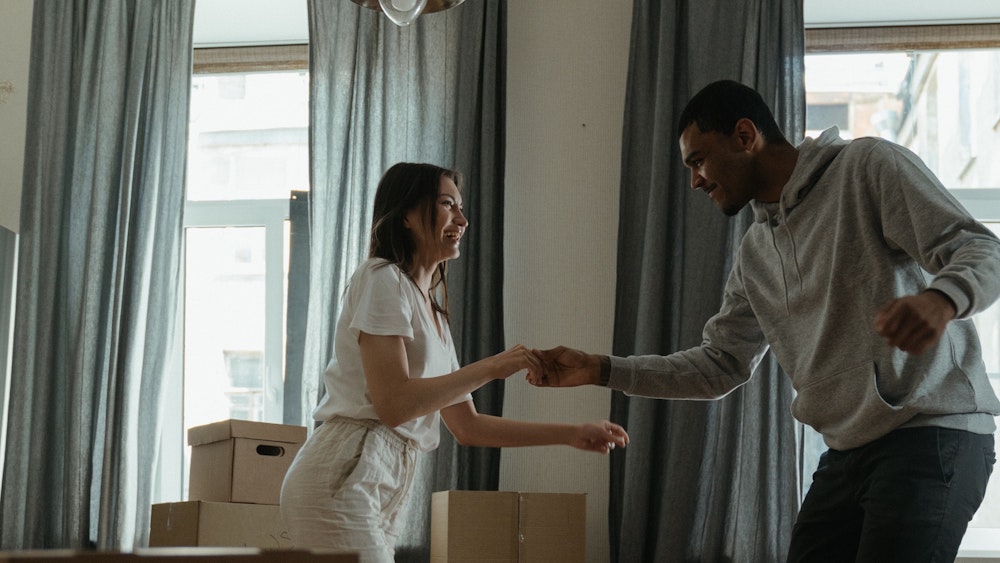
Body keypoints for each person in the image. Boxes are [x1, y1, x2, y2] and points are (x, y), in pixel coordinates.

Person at [528, 80, 1000, 562]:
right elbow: (719, 366)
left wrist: (942, 299)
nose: (694, 181)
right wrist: (602, 369)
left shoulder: (868, 166)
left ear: (744, 135)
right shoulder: (755, 253)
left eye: (698, 161)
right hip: (848, 452)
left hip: (931, 433)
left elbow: (982, 249)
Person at [279, 162, 629, 563]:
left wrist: (571, 433)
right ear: (407, 215)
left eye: (460, 207)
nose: (462, 220)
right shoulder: (382, 278)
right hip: (346, 471)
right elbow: (394, 405)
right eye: (447, 204)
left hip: (384, 477)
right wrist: (491, 367)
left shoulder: (434, 316)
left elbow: (468, 426)